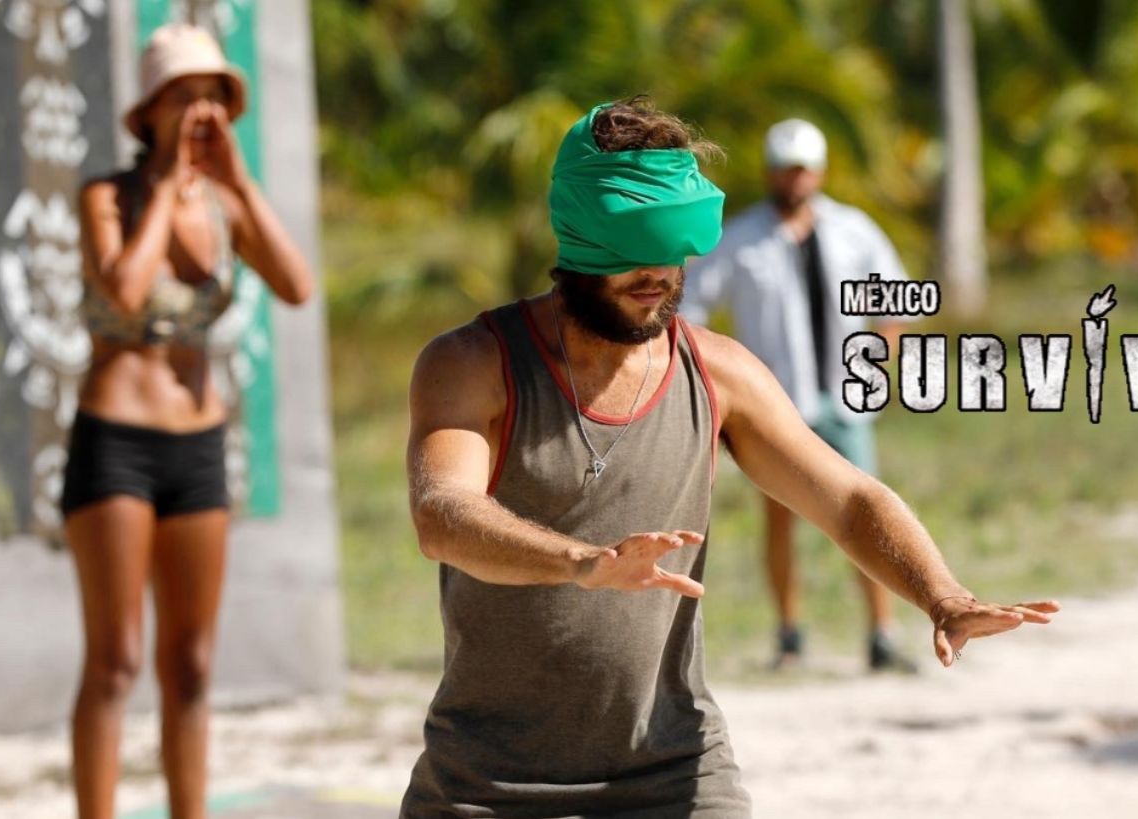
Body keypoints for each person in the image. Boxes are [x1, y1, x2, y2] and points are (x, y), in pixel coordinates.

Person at [401, 97, 1058, 818]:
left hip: (674, 769)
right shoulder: (475, 363)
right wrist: (581, 562)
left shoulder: (718, 372)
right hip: (488, 783)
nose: (657, 275)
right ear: (579, 236)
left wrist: (943, 594)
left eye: (673, 251)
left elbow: (848, 500)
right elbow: (443, 514)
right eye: (632, 253)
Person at [66, 23, 313, 819]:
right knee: (115, 660)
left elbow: (296, 285)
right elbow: (127, 290)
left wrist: (237, 183)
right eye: (184, 97)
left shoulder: (225, 204)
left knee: (193, 664)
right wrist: (167, 183)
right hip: (116, 441)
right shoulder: (108, 197)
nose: (202, 112)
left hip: (199, 443)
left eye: (214, 97)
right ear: (149, 113)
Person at [683, 117, 919, 672]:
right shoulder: (739, 239)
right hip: (775, 407)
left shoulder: (855, 230)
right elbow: (690, 308)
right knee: (780, 517)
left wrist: (878, 368)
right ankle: (789, 637)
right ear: (770, 173)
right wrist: (722, 381)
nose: (795, 180)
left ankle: (881, 635)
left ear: (820, 172)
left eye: (803, 170)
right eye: (785, 171)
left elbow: (895, 303)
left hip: (844, 399)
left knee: (868, 513)